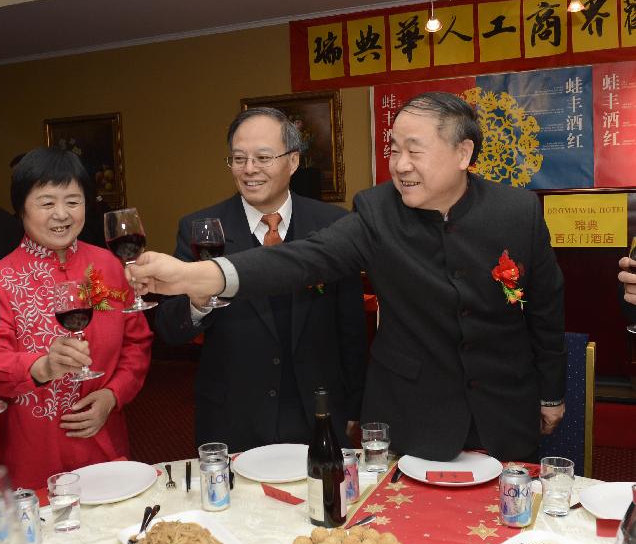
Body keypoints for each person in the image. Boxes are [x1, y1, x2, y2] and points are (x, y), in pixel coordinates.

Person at [130, 92, 566, 463]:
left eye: (414, 151)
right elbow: (302, 259)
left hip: (504, 407)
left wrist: (551, 392)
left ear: (463, 154)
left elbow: (545, 310)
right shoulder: (377, 212)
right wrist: (202, 275)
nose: (399, 165)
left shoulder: (517, 212)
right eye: (393, 150)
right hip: (413, 410)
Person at [153, 107, 367, 452]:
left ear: (293, 161)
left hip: (318, 411)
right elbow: (169, 328)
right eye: (239, 159)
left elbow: (352, 329)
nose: (249, 169)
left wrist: (355, 405)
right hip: (234, 416)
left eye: (263, 157)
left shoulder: (333, 225)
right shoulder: (202, 229)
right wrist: (197, 299)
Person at [0, 147, 152, 488]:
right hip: (30, 450)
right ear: (21, 208)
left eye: (73, 201)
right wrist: (40, 367)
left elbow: (137, 343)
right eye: (46, 203)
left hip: (102, 439)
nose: (61, 214)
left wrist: (113, 395)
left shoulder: (108, 266)